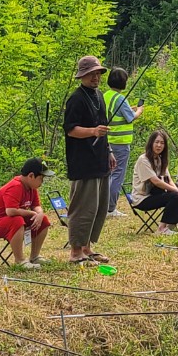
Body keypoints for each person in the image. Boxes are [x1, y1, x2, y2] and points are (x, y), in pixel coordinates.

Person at [64, 55, 115, 265]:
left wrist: (109, 151)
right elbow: (71, 130)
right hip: (83, 163)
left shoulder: (99, 96)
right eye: (91, 74)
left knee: (98, 207)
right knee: (83, 208)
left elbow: (103, 127)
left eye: (98, 73)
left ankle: (87, 247)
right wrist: (93, 131)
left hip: (100, 160)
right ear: (82, 76)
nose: (96, 77)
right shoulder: (76, 98)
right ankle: (76, 252)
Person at [0, 157, 50, 268]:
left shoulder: (32, 188)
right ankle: (20, 261)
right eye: (41, 178)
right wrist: (33, 214)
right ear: (31, 176)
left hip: (9, 220)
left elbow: (36, 206)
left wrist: (40, 214)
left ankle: (35, 256)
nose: (42, 182)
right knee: (17, 220)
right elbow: (11, 211)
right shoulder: (16, 186)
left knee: (44, 220)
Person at [129, 128, 178, 235]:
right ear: (151, 143)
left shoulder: (160, 159)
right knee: (175, 195)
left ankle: (172, 225)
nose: (159, 145)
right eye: (156, 142)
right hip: (142, 198)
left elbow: (168, 180)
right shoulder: (143, 160)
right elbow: (155, 181)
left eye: (162, 143)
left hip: (154, 193)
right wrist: (177, 192)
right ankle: (161, 229)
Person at [103, 67, 143, 218]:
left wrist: (130, 109)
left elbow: (116, 113)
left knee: (107, 174)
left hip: (107, 141)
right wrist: (139, 110)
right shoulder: (120, 98)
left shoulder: (106, 95)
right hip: (120, 142)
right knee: (117, 174)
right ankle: (111, 208)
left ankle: (104, 206)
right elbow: (131, 117)